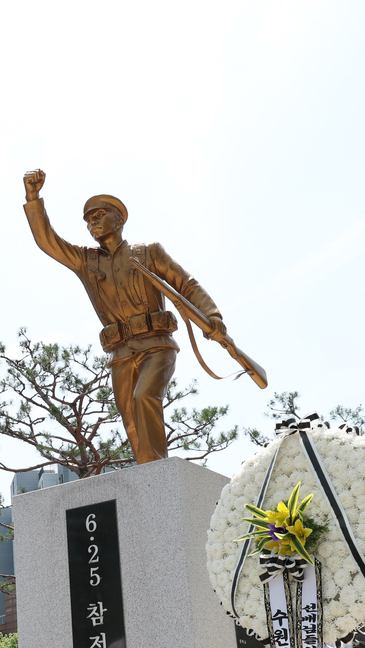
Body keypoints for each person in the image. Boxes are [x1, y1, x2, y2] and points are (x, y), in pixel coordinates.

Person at [21, 171, 230, 464]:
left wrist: (211, 315)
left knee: (144, 397)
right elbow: (48, 242)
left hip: (156, 344)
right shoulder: (86, 260)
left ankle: (155, 473)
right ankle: (149, 472)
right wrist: (33, 199)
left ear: (119, 219)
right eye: (88, 219)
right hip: (120, 353)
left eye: (99, 214)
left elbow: (187, 285)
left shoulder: (148, 252)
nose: (91, 221)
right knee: (129, 415)